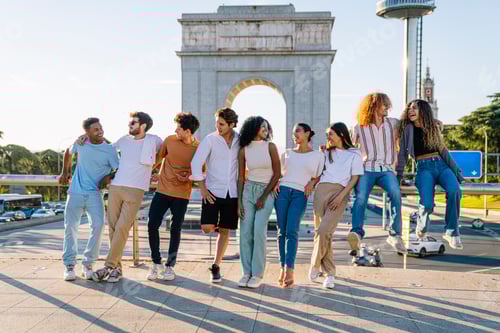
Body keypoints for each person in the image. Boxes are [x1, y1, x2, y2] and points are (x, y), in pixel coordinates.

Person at [92, 112, 163, 283]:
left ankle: (108, 266)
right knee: (113, 228)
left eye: (133, 122)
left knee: (123, 227)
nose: (129, 125)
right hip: (116, 187)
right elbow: (105, 149)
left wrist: (155, 169)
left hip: (136, 189)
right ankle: (117, 269)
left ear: (143, 125)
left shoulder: (154, 140)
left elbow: (165, 154)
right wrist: (84, 138)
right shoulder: (123, 140)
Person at [396, 99, 464, 249]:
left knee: (455, 191)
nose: (411, 111)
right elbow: (402, 155)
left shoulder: (433, 127)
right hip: (424, 167)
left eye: (415, 108)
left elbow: (443, 151)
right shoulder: (407, 129)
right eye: (409, 109)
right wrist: (398, 176)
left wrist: (457, 172)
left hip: (442, 165)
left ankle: (452, 232)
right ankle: (421, 227)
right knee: (426, 204)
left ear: (424, 111)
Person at [59, 118, 119, 281]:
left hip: (95, 194)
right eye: (95, 129)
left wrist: (107, 176)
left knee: (98, 226)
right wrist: (65, 172)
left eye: (101, 128)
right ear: (87, 133)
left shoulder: (109, 149)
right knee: (70, 226)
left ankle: (88, 264)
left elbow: (118, 168)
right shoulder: (81, 143)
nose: (100, 131)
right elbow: (68, 152)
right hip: (76, 192)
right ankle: (69, 266)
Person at [146, 112, 200, 281]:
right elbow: (157, 159)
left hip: (182, 194)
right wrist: (147, 172)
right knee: (151, 224)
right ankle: (156, 263)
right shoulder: (169, 140)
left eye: (179, 127)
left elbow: (201, 171)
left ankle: (170, 266)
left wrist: (189, 176)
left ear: (188, 131)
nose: (176, 130)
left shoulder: (198, 148)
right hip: (162, 190)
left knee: (175, 229)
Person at [350, 92, 406, 253]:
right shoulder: (359, 127)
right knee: (360, 199)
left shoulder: (393, 123)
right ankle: (357, 233)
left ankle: (395, 234)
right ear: (373, 105)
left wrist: (433, 122)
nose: (388, 107)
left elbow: (413, 124)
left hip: (387, 169)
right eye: (384, 104)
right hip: (366, 169)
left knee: (395, 194)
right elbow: (350, 149)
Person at [309, 122, 363, 289]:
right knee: (325, 234)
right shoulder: (326, 153)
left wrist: (341, 196)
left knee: (324, 231)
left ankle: (315, 264)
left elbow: (354, 178)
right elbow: (317, 172)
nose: (328, 138)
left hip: (339, 193)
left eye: (331, 134)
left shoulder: (354, 154)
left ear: (341, 135)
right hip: (321, 193)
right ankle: (330, 274)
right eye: (328, 135)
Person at [190, 107, 240, 283]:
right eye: (217, 123)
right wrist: (202, 187)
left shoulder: (240, 141)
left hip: (232, 193)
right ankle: (218, 225)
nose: (218, 127)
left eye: (222, 124)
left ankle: (216, 266)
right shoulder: (210, 139)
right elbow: (196, 163)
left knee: (225, 231)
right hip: (212, 191)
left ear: (231, 124)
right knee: (207, 228)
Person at [275, 123, 324, 288]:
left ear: (308, 133)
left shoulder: (317, 155)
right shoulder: (287, 153)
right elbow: (278, 173)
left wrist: (312, 182)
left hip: (300, 194)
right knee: (281, 231)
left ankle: (290, 269)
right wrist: (275, 183)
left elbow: (319, 174)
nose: (294, 134)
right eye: (293, 132)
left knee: (292, 231)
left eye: (297, 131)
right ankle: (282, 267)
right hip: (282, 192)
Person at [237, 116, 281, 288]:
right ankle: (246, 272)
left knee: (258, 231)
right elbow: (241, 177)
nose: (265, 129)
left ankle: (257, 274)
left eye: (266, 127)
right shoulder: (243, 149)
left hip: (266, 191)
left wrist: (263, 197)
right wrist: (239, 202)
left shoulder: (270, 147)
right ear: (253, 128)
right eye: (262, 127)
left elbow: (277, 173)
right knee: (245, 232)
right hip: (248, 191)